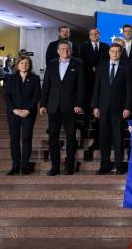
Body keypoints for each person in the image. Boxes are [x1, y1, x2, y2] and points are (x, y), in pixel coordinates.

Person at [39, 40, 85, 176]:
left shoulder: (78, 63)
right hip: (53, 107)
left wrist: (79, 104)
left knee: (71, 137)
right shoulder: (52, 64)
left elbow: (81, 87)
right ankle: (55, 167)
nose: (65, 51)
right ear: (58, 51)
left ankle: (69, 167)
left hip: (71, 107)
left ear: (71, 50)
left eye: (68, 49)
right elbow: (46, 85)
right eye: (63, 49)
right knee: (53, 137)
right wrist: (42, 104)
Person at [92, 43, 132, 175]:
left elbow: (129, 90)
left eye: (117, 51)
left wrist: (127, 107)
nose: (115, 53)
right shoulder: (102, 66)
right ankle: (105, 165)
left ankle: (119, 165)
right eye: (113, 51)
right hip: (103, 108)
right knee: (104, 138)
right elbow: (96, 87)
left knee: (118, 138)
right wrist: (95, 106)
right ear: (109, 52)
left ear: (121, 53)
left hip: (119, 109)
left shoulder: (126, 67)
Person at [3, 56, 40, 175]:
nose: (24, 65)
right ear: (17, 65)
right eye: (22, 63)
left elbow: (37, 96)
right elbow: (7, 96)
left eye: (27, 63)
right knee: (14, 139)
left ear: (30, 65)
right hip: (13, 113)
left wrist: (28, 110)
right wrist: (14, 110)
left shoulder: (35, 78)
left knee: (26, 138)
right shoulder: (11, 78)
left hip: (28, 113)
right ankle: (15, 166)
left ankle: (24, 166)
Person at [79, 28, 109, 150]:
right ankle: (86, 123)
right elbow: (82, 60)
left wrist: (99, 69)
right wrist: (91, 68)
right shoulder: (84, 46)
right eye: (92, 34)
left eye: (96, 33)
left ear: (99, 35)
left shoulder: (105, 46)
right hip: (88, 78)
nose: (94, 35)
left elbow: (107, 60)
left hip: (101, 78)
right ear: (89, 36)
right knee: (87, 102)